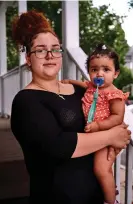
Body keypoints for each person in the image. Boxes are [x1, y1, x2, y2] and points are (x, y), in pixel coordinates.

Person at [10, 10, 131, 204]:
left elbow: (108, 114)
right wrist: (110, 136)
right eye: (40, 50)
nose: (50, 55)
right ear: (28, 59)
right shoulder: (26, 101)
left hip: (96, 195)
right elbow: (57, 145)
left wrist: (115, 141)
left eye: (55, 49)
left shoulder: (80, 90)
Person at [62, 43, 129, 204]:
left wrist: (99, 126)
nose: (99, 73)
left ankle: (111, 201)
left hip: (106, 137)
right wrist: (70, 81)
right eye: (94, 70)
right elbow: (84, 84)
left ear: (116, 73)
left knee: (101, 170)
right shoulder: (93, 87)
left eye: (106, 70)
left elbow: (117, 117)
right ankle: (108, 192)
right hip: (95, 135)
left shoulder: (114, 94)